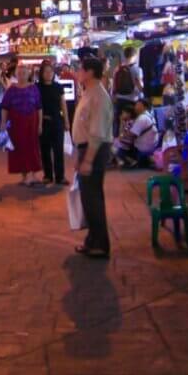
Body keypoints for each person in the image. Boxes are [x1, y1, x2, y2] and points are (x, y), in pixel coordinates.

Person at [73, 57, 114, 259]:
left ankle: (99, 243)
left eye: (80, 69)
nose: (77, 72)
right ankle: (93, 239)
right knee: (89, 197)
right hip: (86, 149)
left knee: (92, 198)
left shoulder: (98, 96)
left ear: (89, 72)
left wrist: (88, 159)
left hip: (94, 150)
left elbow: (97, 132)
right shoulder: (89, 93)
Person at [0, 66, 43, 186]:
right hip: (15, 122)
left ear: (28, 74)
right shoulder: (11, 89)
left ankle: (32, 174)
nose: (22, 75)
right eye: (19, 73)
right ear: (16, 75)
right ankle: (24, 175)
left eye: (24, 72)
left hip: (31, 121)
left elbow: (39, 107)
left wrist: (40, 124)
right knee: (18, 147)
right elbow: (5, 107)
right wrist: (3, 123)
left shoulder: (33, 88)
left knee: (32, 147)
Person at [37, 62, 70, 185]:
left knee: (58, 150)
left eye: (50, 72)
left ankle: (60, 176)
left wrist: (66, 121)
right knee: (45, 149)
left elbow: (63, 104)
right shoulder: (37, 87)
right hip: (43, 122)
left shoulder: (58, 87)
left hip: (57, 121)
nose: (48, 74)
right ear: (41, 73)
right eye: (46, 72)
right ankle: (48, 175)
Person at [114, 98, 157, 169]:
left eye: (138, 105)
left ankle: (132, 161)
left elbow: (130, 135)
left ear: (144, 107)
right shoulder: (149, 115)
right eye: (136, 104)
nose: (136, 107)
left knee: (116, 148)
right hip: (150, 147)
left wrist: (121, 123)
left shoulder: (142, 118)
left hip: (142, 149)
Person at [111, 46, 143, 136]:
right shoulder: (137, 69)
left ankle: (116, 142)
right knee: (131, 124)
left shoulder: (117, 69)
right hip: (132, 100)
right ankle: (128, 143)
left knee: (118, 123)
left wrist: (114, 97)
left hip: (119, 99)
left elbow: (114, 86)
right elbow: (140, 87)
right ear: (135, 55)